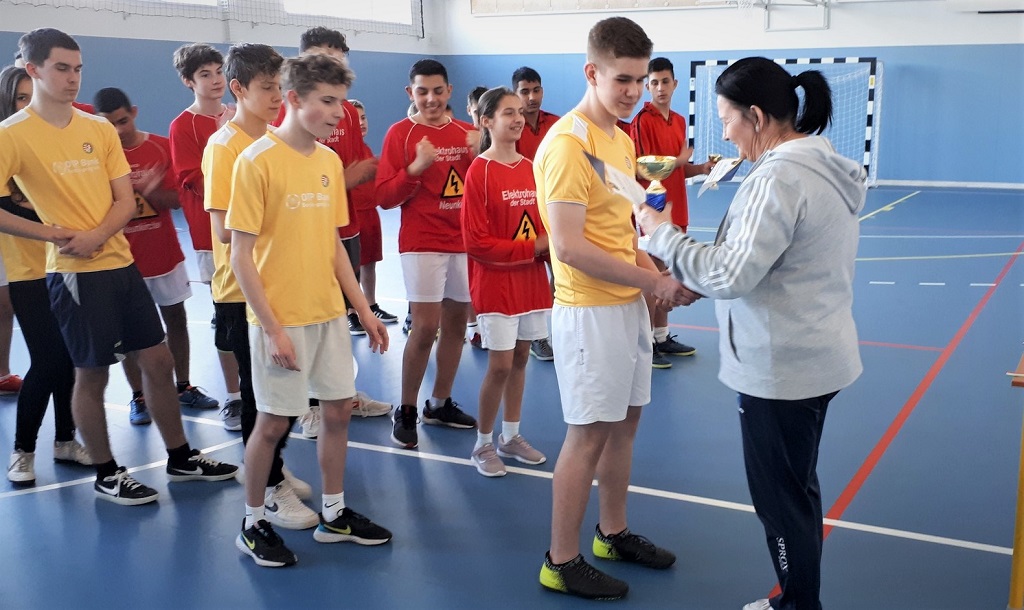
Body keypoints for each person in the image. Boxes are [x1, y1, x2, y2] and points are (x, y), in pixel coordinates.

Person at [634, 57, 865, 610]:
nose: (725, 135)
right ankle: (799, 599)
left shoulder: (779, 177)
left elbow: (731, 275)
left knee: (781, 504)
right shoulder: (819, 166)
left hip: (782, 367)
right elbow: (752, 262)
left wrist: (661, 236)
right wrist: (693, 269)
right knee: (797, 489)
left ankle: (797, 606)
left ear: (756, 117)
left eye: (727, 120)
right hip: (815, 354)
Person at [0, 28, 238, 505]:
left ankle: (181, 457)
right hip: (74, 274)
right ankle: (107, 473)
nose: (73, 78)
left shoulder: (98, 129)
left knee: (159, 360)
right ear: (33, 70)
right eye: (62, 68)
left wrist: (96, 235)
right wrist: (53, 234)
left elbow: (125, 200)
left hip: (120, 264)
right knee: (92, 374)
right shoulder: (12, 135)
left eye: (78, 68)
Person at [533, 17, 694, 600]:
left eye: (640, 79)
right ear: (592, 72)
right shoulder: (567, 146)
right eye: (622, 79)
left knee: (625, 424)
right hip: (588, 313)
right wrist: (653, 283)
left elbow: (624, 234)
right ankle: (560, 560)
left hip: (627, 307)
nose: (633, 91)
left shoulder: (623, 142)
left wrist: (661, 277)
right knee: (587, 435)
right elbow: (569, 248)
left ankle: (612, 532)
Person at [229, 53, 392, 567]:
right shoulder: (255, 160)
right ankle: (252, 522)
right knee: (273, 423)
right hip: (281, 320)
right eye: (328, 100)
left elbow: (334, 245)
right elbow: (239, 255)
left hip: (328, 315)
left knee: (338, 411)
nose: (339, 112)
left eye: (341, 101)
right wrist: (272, 328)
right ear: (294, 99)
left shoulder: (327, 162)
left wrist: (362, 309)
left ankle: (334, 514)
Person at [203, 42, 317, 529]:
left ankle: (271, 466)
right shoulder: (225, 147)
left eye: (279, 86)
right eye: (267, 87)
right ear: (238, 88)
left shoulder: (275, 140)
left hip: (279, 285)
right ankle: (268, 488)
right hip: (239, 290)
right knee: (258, 397)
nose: (277, 96)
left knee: (282, 393)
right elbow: (224, 228)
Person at [280, 28, 392, 436]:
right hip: (299, 253)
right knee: (306, 328)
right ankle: (307, 404)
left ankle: (340, 393)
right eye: (323, 56)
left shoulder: (340, 123)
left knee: (337, 321)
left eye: (339, 57)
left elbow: (351, 172)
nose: (336, 110)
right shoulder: (277, 140)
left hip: (341, 227)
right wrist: (347, 178)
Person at [94, 87, 217, 425]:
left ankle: (183, 386)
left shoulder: (161, 147)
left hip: (164, 254)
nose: (118, 130)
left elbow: (180, 199)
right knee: (128, 333)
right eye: (109, 125)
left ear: (133, 112)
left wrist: (152, 191)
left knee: (176, 319)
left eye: (122, 121)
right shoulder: (98, 157)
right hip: (122, 260)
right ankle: (139, 395)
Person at [376, 58, 480, 449]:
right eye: (422, 92)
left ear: (449, 91)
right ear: (411, 93)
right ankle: (406, 409)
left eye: (438, 91)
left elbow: (483, 190)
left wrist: (478, 156)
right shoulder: (400, 134)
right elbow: (385, 197)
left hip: (463, 243)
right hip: (422, 243)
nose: (431, 99)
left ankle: (439, 403)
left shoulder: (469, 133)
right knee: (424, 327)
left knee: (456, 326)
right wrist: (416, 168)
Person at [1, 64, 87, 485]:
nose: (28, 104)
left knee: (70, 358)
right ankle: (23, 451)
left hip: (68, 267)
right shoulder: (8, 143)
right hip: (30, 272)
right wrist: (53, 223)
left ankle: (66, 440)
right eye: (20, 97)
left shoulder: (52, 144)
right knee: (48, 359)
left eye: (30, 95)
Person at [460, 87, 551, 478]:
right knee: (498, 365)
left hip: (530, 282)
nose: (517, 118)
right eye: (507, 113)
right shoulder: (479, 171)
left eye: (519, 112)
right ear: (486, 121)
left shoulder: (532, 167)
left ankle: (510, 436)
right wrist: (534, 246)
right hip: (495, 284)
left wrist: (548, 251)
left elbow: (544, 225)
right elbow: (476, 243)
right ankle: (482, 443)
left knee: (521, 359)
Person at [630, 57, 715, 368]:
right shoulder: (642, 121)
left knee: (668, 274)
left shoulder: (679, 121)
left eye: (665, 81)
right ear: (647, 86)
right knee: (652, 277)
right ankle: (645, 344)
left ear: (675, 84)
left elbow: (680, 170)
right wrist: (679, 160)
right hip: (652, 211)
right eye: (654, 83)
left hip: (677, 209)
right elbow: (641, 168)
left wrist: (701, 168)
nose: (660, 88)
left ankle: (662, 336)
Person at [168, 42, 240, 412]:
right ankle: (235, 396)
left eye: (218, 71)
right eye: (205, 74)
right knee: (227, 317)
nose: (215, 80)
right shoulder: (183, 126)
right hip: (212, 236)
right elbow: (192, 178)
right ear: (188, 81)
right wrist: (222, 142)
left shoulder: (241, 114)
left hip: (254, 230)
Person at [512, 66, 559, 362]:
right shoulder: (511, 127)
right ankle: (535, 337)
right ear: (515, 93)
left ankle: (559, 330)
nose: (532, 97)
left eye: (536, 90)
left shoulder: (557, 124)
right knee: (531, 279)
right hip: (522, 212)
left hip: (554, 209)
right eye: (525, 91)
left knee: (561, 274)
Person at [348, 99, 399, 335]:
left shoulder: (367, 149)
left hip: (371, 214)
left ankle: (371, 305)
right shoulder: (344, 151)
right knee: (353, 266)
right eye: (355, 119)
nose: (361, 123)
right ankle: (351, 312)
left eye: (364, 117)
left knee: (370, 262)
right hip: (352, 216)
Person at [463, 84, 488, 351]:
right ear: (469, 110)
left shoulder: (497, 139)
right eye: (476, 109)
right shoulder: (464, 137)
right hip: (467, 215)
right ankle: (473, 327)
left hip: (494, 214)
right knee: (468, 273)